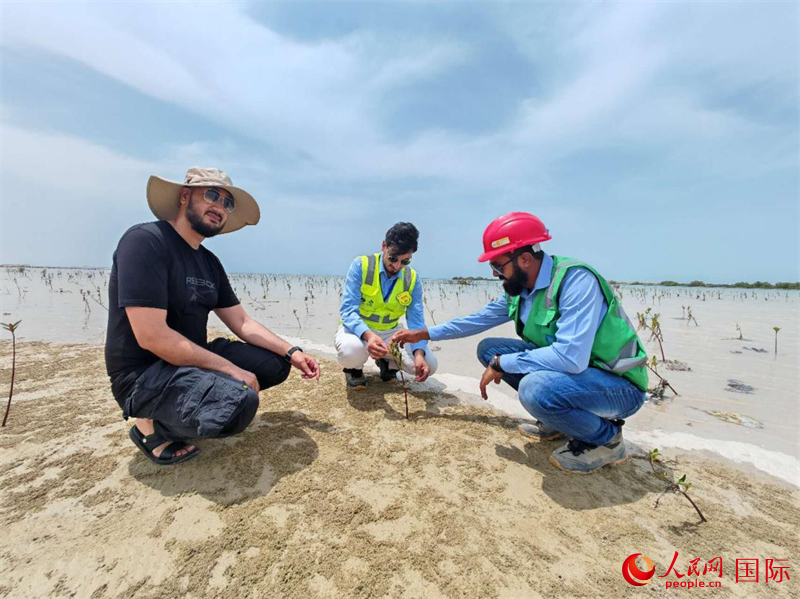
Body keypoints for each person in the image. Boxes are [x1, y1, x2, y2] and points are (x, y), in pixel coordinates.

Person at [392, 212, 648, 473]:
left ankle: (607, 439)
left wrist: (504, 363)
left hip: (619, 385)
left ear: (525, 258)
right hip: (578, 375)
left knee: (534, 388)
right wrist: (423, 334)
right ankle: (559, 421)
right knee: (489, 349)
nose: (494, 273)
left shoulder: (576, 281)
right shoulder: (520, 289)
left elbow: (571, 357)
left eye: (498, 265)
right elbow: (476, 320)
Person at [105, 167, 321, 466]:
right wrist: (232, 371)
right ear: (184, 196)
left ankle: (189, 405)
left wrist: (293, 352)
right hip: (143, 374)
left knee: (274, 365)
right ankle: (149, 427)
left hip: (189, 358)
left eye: (227, 203)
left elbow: (242, 322)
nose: (219, 207)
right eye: (211, 195)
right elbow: (152, 336)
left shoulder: (209, 262)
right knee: (241, 400)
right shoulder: (146, 241)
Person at [335, 222, 437, 389]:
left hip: (391, 333)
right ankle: (354, 370)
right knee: (350, 352)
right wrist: (368, 336)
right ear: (384, 246)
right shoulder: (361, 266)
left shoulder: (412, 278)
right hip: (359, 331)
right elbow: (348, 311)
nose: (397, 266)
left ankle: (388, 364)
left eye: (405, 261)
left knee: (429, 365)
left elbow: (416, 322)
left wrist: (419, 353)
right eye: (393, 258)